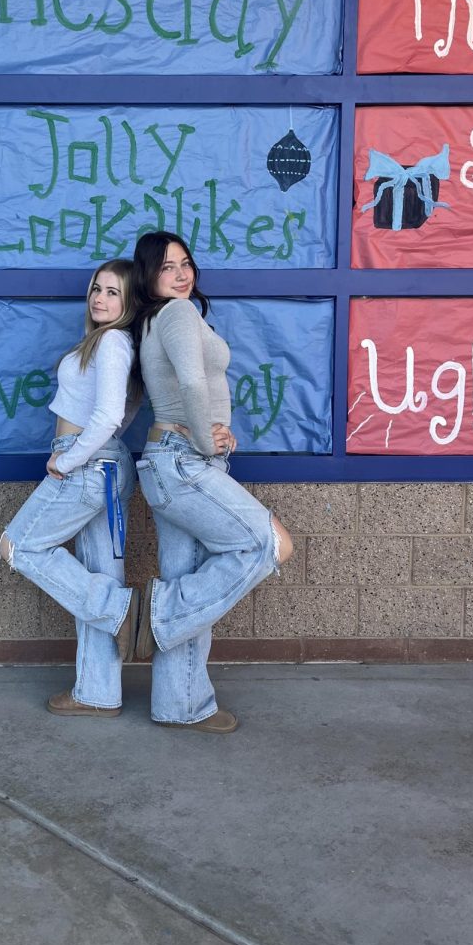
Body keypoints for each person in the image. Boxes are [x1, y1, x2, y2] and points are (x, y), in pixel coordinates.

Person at [131, 231, 293, 733]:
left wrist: (216, 432)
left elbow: (185, 391)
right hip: (185, 463)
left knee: (189, 577)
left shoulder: (156, 320)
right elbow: (192, 383)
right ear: (149, 276)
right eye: (167, 267)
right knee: (270, 543)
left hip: (173, 462)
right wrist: (206, 440)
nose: (182, 275)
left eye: (186, 264)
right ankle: (157, 619)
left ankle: (180, 704)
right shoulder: (178, 314)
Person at [0, 259, 140, 717]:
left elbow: (109, 417)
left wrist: (69, 458)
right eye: (97, 289)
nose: (100, 298)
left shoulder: (114, 342)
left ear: (130, 301)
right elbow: (122, 413)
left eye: (113, 292)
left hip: (84, 464)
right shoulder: (106, 341)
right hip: (103, 465)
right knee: (99, 574)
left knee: (18, 547)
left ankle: (120, 612)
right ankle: (98, 693)